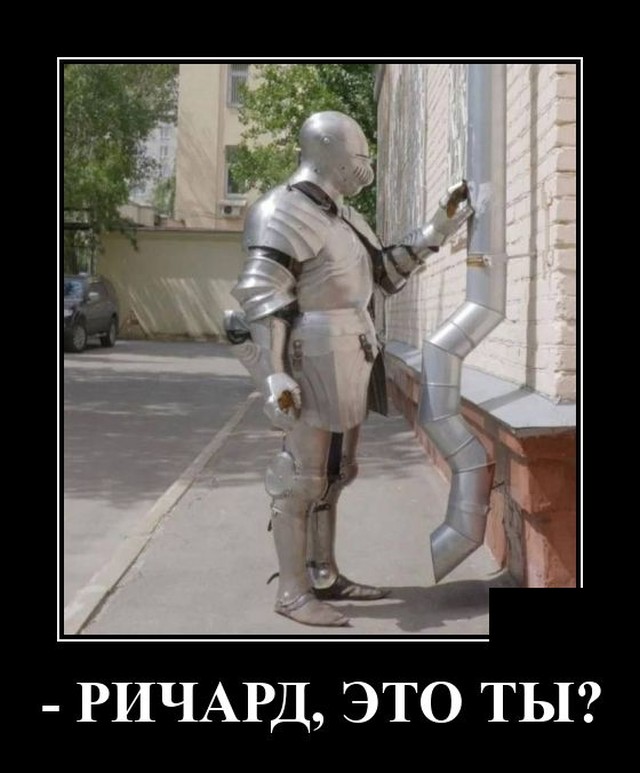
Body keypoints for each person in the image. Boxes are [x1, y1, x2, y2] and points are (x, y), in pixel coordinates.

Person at [226, 111, 472, 627]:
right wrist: (272, 373)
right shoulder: (282, 210)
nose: (365, 165)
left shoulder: (341, 215)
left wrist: (437, 227)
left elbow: (380, 273)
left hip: (351, 352)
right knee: (299, 479)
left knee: (336, 475)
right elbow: (262, 297)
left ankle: (323, 572)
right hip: (308, 355)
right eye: (358, 155)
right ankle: (293, 592)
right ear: (331, 154)